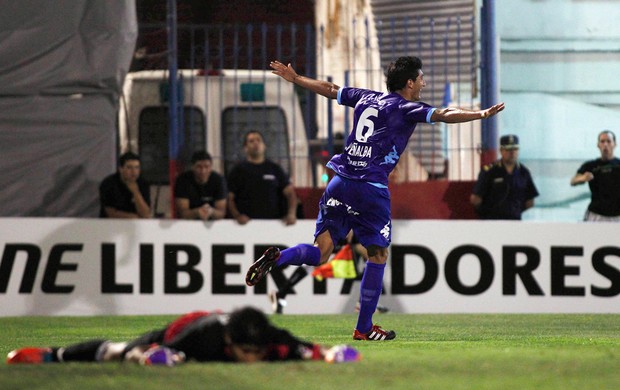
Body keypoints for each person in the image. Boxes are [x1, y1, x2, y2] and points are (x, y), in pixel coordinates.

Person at [245, 56, 505, 341]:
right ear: (409, 82)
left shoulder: (367, 98)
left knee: (320, 252)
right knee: (378, 255)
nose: (424, 83)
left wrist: (296, 79)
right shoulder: (407, 107)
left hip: (339, 182)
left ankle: (279, 257)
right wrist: (479, 115)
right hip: (369, 188)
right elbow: (444, 113)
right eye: (421, 78)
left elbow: (331, 89)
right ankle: (364, 327)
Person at [6, 307, 360, 365]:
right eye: (245, 352)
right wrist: (150, 356)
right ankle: (54, 354)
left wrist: (329, 354)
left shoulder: (268, 336)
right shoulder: (202, 338)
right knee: (121, 352)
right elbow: (153, 351)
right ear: (228, 344)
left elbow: (309, 349)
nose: (252, 360)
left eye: (257, 352)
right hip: (184, 325)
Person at [227, 130, 298, 225]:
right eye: (251, 141)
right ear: (245, 148)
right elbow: (230, 198)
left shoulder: (275, 169)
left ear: (264, 146)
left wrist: (291, 214)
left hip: (274, 224)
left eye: (258, 140)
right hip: (246, 226)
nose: (255, 143)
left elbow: (290, 194)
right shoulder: (238, 171)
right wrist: (237, 216)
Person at [470, 135, 539, 220]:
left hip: (516, 221)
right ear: (501, 150)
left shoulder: (524, 172)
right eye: (508, 149)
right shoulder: (490, 171)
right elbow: (476, 199)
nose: (512, 152)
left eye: (515, 149)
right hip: (493, 221)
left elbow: (530, 201)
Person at [570, 130, 620, 221]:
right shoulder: (590, 165)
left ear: (614, 144)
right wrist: (583, 178)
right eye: (602, 141)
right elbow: (573, 181)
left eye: (608, 141)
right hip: (596, 214)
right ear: (598, 145)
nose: (605, 144)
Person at [174, 151, 227, 220]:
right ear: (192, 167)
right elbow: (182, 213)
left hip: (212, 223)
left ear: (211, 167)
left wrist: (211, 212)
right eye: (199, 167)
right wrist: (197, 212)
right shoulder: (183, 180)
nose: (203, 171)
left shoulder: (219, 180)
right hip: (189, 223)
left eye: (206, 167)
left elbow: (221, 213)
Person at [99, 152, 151, 218]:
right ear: (120, 169)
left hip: (135, 225)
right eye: (129, 167)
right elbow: (111, 213)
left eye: (137, 167)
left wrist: (136, 192)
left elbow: (145, 214)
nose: (134, 172)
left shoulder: (143, 183)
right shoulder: (108, 183)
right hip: (110, 225)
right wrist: (133, 217)